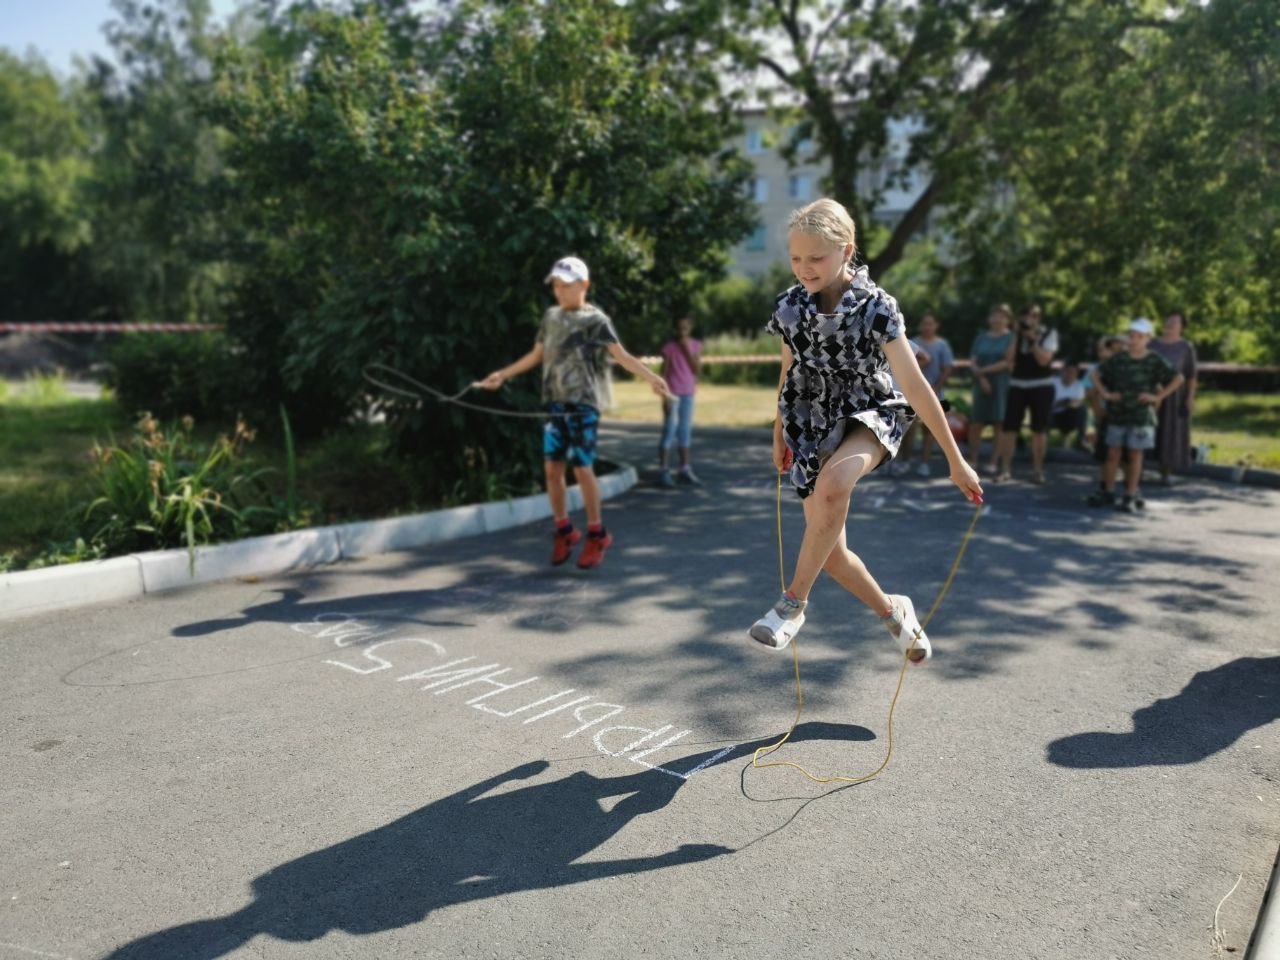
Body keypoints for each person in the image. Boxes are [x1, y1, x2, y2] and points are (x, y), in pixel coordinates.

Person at [748, 198, 982, 661]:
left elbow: (915, 386)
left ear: (846, 250)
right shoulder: (791, 307)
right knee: (831, 555)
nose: (805, 267)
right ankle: (895, 614)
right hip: (810, 421)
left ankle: (791, 604)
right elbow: (787, 370)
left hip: (868, 413)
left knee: (835, 485)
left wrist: (956, 460)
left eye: (816, 257)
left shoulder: (878, 308)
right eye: (796, 258)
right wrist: (778, 431)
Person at [480, 256, 672, 568]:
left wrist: (651, 377)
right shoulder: (552, 318)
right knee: (552, 470)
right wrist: (502, 375)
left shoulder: (595, 320)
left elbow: (620, 355)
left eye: (565, 285)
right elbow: (537, 355)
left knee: (582, 468)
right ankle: (564, 530)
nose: (559, 291)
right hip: (555, 404)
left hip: (584, 406)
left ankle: (597, 534)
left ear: (584, 285)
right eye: (555, 285)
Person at [1087, 318, 1185, 513]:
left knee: (1135, 454)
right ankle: (1108, 491)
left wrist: (1158, 396)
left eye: (1139, 336)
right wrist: (1105, 394)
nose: (1134, 340)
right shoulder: (1119, 358)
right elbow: (1095, 374)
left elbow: (1178, 378)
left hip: (1141, 417)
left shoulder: (1154, 359)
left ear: (1147, 338)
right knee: (1112, 454)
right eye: (1131, 336)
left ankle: (1130, 494)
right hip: (1117, 415)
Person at [994, 304, 1058, 484]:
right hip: (1017, 384)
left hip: (1041, 386)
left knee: (1039, 430)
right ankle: (1005, 469)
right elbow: (1008, 359)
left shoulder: (1048, 333)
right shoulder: (1016, 335)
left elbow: (1044, 360)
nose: (1029, 318)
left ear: (1039, 318)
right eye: (1026, 315)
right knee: (1010, 429)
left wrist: (1032, 340)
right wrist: (1018, 336)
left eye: (1034, 315)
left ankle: (1038, 470)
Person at [893, 313, 954, 477]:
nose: (927, 327)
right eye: (924, 324)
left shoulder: (942, 345)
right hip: (911, 394)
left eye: (930, 323)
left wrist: (935, 388)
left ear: (936, 325)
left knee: (930, 431)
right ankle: (904, 461)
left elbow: (947, 368)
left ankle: (925, 463)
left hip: (936, 393)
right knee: (908, 430)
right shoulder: (913, 342)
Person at [1149, 311, 1198, 484]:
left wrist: (1190, 398)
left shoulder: (1186, 347)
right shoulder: (1152, 344)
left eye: (1174, 322)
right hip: (1153, 392)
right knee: (1149, 429)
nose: (1169, 323)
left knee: (1171, 433)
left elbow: (1191, 376)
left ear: (1182, 327)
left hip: (1176, 395)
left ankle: (1166, 472)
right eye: (1168, 320)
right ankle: (1137, 470)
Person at [967, 303, 1015, 473]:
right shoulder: (981, 337)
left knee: (998, 423)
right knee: (976, 424)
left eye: (1002, 316)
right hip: (981, 383)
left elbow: (1007, 362)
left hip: (1001, 384)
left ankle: (994, 461)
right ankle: (972, 459)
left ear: (1008, 319)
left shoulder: (1011, 338)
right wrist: (981, 377)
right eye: (995, 315)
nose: (997, 319)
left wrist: (982, 371)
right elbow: (972, 360)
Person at [656, 317, 703, 488]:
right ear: (676, 329)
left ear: (690, 328)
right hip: (672, 394)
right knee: (669, 430)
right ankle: (663, 470)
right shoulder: (669, 348)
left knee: (684, 431)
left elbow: (696, 369)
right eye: (679, 327)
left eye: (685, 327)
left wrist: (686, 348)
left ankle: (685, 468)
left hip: (688, 394)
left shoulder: (696, 345)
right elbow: (663, 373)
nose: (682, 330)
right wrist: (664, 398)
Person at [1050, 362, 1087, 446]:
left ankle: (1081, 441)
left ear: (1077, 374)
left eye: (1073, 372)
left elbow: (1078, 403)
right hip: (1053, 415)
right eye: (1067, 371)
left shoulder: (1079, 385)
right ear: (1062, 371)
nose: (1069, 374)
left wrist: (1064, 402)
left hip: (1070, 416)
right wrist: (1067, 401)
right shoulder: (1052, 382)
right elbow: (1048, 403)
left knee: (1083, 410)